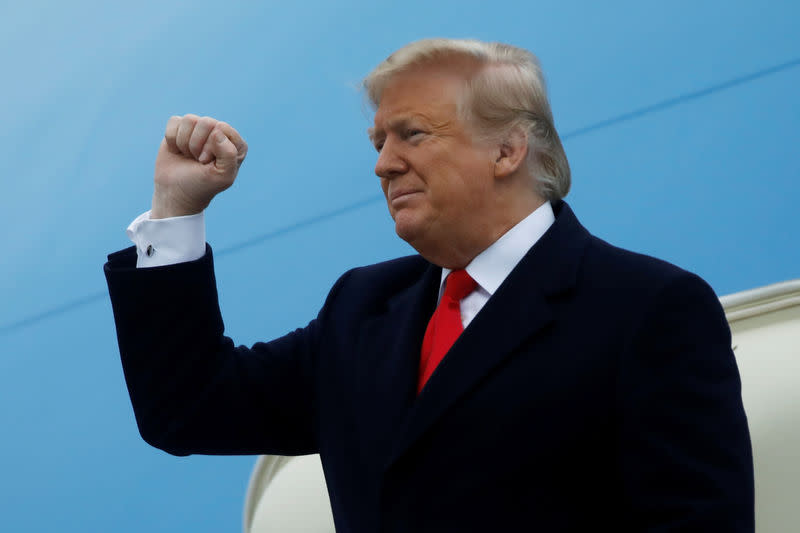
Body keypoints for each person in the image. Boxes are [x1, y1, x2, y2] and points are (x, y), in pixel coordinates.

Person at [104, 38, 754, 532]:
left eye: (412, 134)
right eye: (378, 140)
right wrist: (176, 209)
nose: (384, 164)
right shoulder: (362, 309)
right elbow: (187, 408)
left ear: (507, 149)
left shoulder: (647, 309)